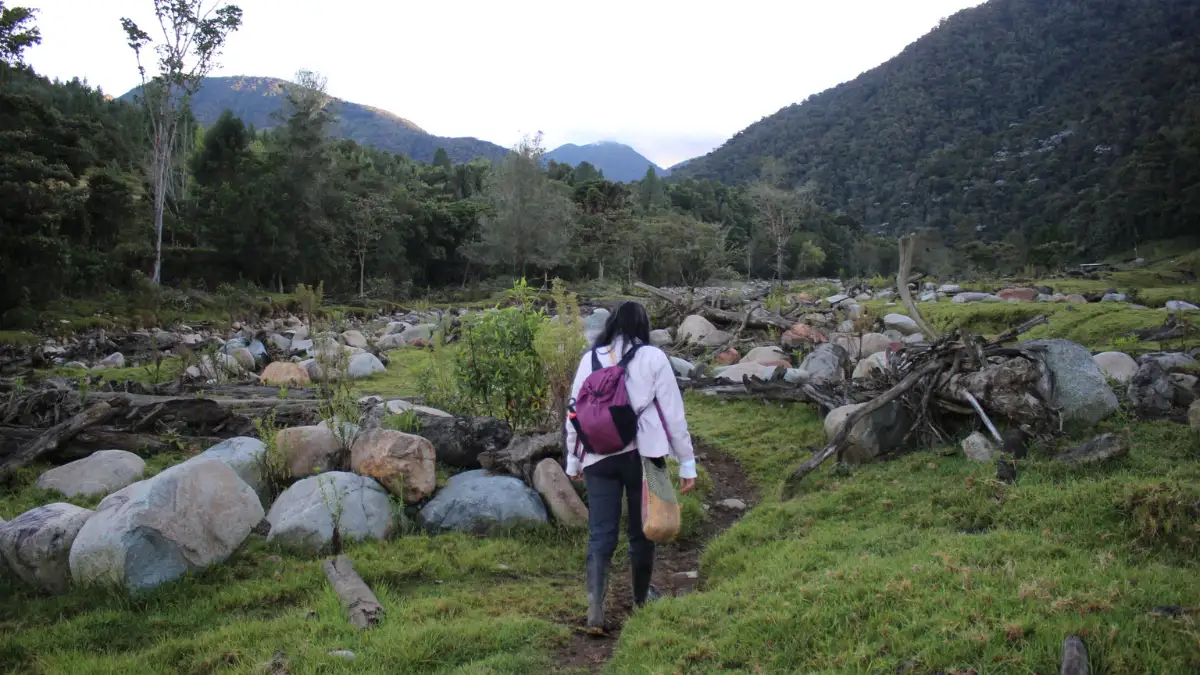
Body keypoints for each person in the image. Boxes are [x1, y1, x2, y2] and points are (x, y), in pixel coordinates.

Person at [564, 301, 698, 636]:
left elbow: (574, 412)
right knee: (645, 530)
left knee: (600, 533)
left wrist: (573, 458)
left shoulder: (589, 359)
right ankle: (640, 601)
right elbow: (672, 414)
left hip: (597, 456)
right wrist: (686, 461)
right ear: (643, 325)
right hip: (646, 456)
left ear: (610, 324)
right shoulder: (653, 357)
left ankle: (595, 613)